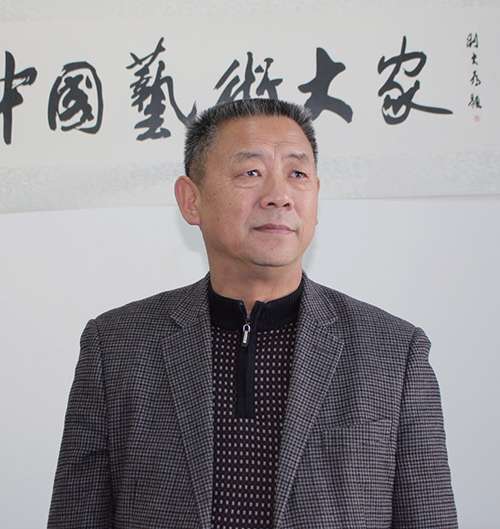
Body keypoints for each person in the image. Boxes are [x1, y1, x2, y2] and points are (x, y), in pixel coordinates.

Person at [47, 98, 458, 529]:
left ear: (316, 196)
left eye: (297, 174)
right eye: (251, 173)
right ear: (191, 200)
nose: (279, 196)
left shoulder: (395, 353)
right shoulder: (116, 347)